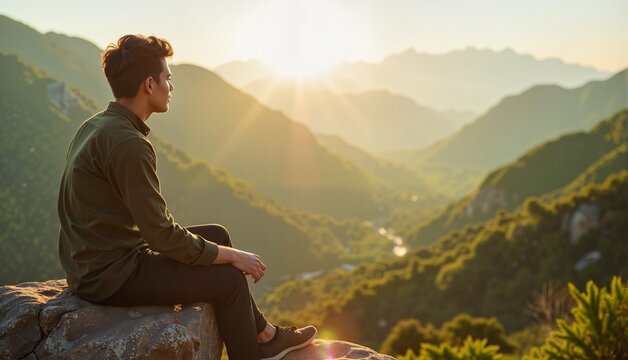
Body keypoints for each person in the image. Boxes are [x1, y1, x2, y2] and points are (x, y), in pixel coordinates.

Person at [57, 34, 317, 360]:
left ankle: (264, 335)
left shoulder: (95, 126)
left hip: (94, 263)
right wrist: (233, 258)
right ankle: (258, 349)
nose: (171, 86)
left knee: (218, 236)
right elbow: (161, 235)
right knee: (228, 281)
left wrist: (224, 251)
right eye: (168, 78)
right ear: (149, 84)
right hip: (110, 276)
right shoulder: (129, 144)